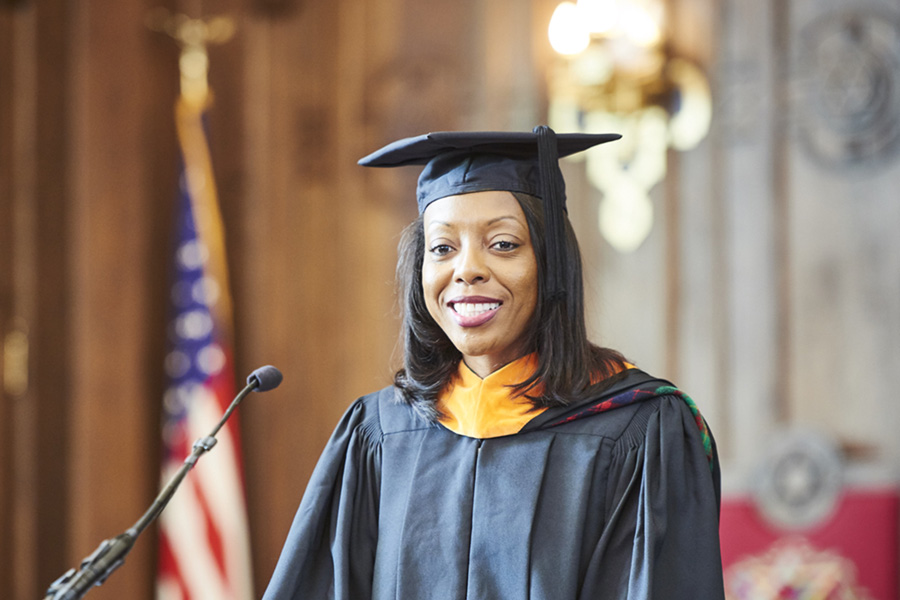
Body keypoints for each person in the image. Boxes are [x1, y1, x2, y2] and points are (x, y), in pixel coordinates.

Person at [262, 127, 724, 599]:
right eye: (442, 248)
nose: (466, 269)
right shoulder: (377, 434)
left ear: (552, 264)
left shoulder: (641, 431)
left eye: (502, 244)